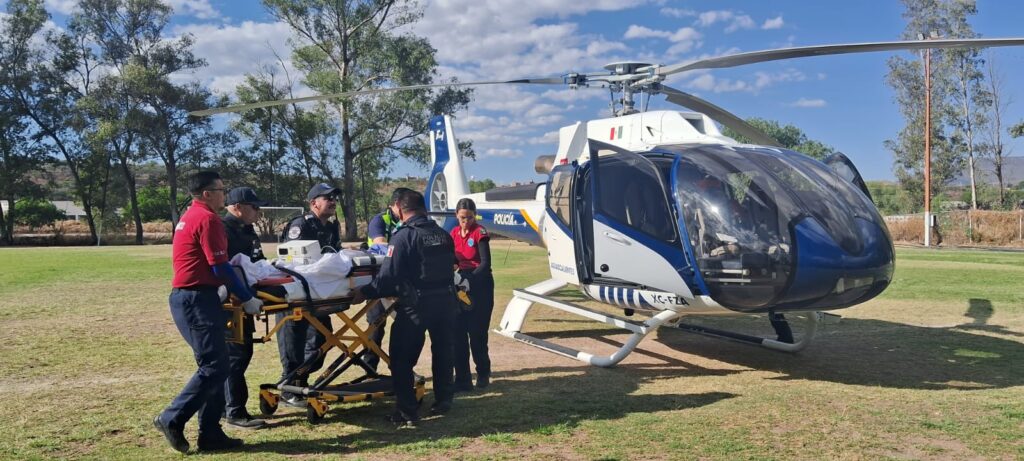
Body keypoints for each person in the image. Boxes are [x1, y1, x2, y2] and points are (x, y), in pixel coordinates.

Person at [154, 171, 263, 453]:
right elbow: (220, 266)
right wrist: (247, 296)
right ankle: (172, 417)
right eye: (221, 189)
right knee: (215, 366)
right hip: (196, 298)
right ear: (207, 194)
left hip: (195, 297)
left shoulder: (190, 215)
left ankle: (211, 433)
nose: (224, 194)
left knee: (218, 365)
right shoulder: (208, 219)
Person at [352, 190, 457, 428]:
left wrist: (364, 293)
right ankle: (443, 400)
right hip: (446, 303)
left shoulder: (403, 237)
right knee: (443, 352)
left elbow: (388, 278)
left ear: (399, 207)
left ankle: (407, 411)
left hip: (417, 306)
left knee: (400, 359)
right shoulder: (442, 234)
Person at [276, 183, 342, 407]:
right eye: (327, 198)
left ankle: (300, 382)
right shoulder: (300, 225)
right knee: (294, 341)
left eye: (334, 198)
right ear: (314, 203)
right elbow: (292, 261)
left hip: (320, 295)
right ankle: (289, 387)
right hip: (297, 294)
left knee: (323, 339)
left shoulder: (333, 226)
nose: (333, 201)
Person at [220, 187, 270, 429]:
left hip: (246, 298)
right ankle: (234, 411)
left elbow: (257, 264)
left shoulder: (247, 229)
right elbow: (223, 268)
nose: (258, 212)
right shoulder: (223, 229)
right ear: (237, 207)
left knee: (240, 353)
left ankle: (223, 407)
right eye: (254, 207)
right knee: (236, 355)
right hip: (228, 302)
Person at [362, 187, 414, 372]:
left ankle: (400, 369)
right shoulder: (380, 220)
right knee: (376, 325)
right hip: (379, 279)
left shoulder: (409, 221)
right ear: (395, 205)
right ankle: (370, 368)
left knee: (404, 325)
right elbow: (380, 243)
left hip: (401, 281)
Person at [450, 198, 495, 391]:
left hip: (480, 284)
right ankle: (462, 379)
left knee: (477, 335)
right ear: (456, 216)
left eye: (469, 217)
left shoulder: (480, 233)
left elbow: (485, 263)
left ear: (474, 215)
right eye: (462, 217)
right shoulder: (453, 233)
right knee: (458, 335)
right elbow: (452, 259)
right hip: (460, 285)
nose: (466, 221)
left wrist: (471, 280)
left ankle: (483, 373)